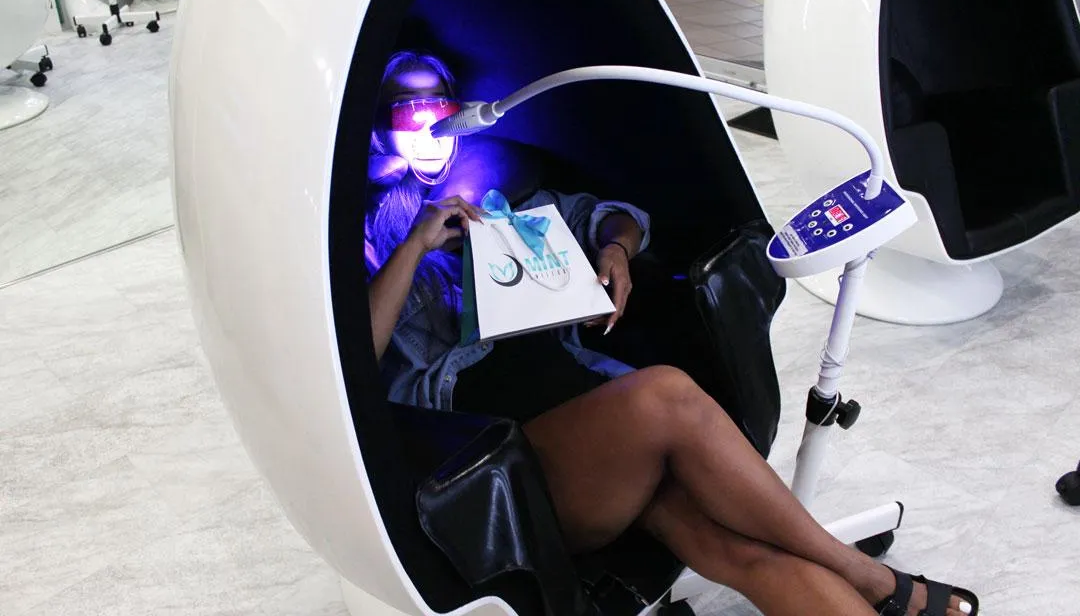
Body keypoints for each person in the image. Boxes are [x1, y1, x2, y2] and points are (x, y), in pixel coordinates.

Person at [366, 50, 978, 616]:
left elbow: (619, 218)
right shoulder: (366, 237)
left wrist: (615, 251)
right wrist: (415, 246)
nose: (428, 123)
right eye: (407, 110)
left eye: (439, 106)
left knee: (748, 553)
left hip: (608, 440)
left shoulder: (500, 192)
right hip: (513, 470)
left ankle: (864, 586)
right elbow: (353, 361)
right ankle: (866, 575)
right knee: (667, 394)